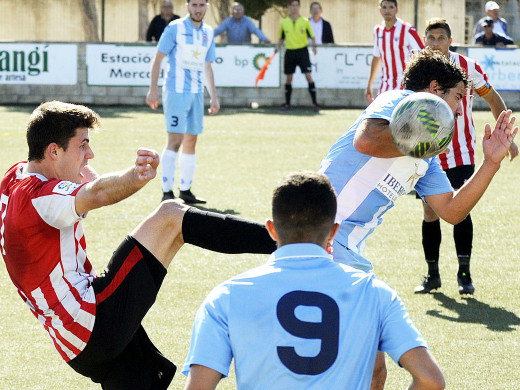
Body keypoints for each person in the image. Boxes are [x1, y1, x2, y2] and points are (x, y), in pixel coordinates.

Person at [175, 49, 517, 390]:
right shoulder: (397, 100)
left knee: (372, 372)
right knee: (351, 368)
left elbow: (453, 212)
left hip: (348, 249)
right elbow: (366, 140)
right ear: (433, 89)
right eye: (458, 97)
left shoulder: (426, 159)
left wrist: (490, 163)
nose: (461, 109)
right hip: (319, 240)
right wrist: (420, 141)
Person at [181, 171, 445, 390]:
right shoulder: (374, 293)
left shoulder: (226, 297)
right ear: (333, 232)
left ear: (271, 229)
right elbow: (430, 380)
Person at [0, 101, 194, 389]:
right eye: (83, 145)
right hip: (91, 323)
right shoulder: (42, 198)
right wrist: (135, 175)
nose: (90, 153)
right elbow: (99, 193)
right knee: (171, 217)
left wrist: (87, 166)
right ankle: (277, 237)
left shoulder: (15, 176)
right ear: (54, 150)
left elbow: (90, 185)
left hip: (72, 340)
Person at [416, 18, 518, 295]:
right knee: (429, 210)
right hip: (427, 154)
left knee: (461, 210)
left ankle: (464, 275)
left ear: (450, 40)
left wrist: (506, 136)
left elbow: (492, 97)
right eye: (431, 38)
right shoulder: (420, 69)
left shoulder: (467, 67)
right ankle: (432, 274)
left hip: (461, 152)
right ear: (425, 40)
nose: (435, 43)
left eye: (440, 38)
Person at [147, 0, 220, 204]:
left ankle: (186, 190)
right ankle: (167, 192)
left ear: (207, 6)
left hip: (196, 93)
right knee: (175, 140)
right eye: (194, 5)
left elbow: (207, 66)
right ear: (188, 7)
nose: (198, 9)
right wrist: (152, 89)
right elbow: (159, 57)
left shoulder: (208, 32)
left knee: (191, 140)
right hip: (176, 91)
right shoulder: (175, 28)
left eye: (201, 5)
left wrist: (213, 95)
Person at [365, 0, 424, 103]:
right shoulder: (377, 30)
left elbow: (422, 54)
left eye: (391, 7)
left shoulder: (407, 29)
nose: (387, 10)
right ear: (380, 10)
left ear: (397, 9)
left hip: (405, 85)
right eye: (384, 7)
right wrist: (369, 84)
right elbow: (377, 57)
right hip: (385, 85)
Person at [275, 0, 320, 112]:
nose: (294, 7)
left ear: (299, 7)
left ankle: (315, 103)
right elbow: (281, 37)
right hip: (290, 52)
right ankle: (287, 103)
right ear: (289, 7)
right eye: (292, 5)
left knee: (308, 76)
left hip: (302, 51)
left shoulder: (305, 21)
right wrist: (277, 47)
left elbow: (312, 36)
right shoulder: (284, 22)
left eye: (296, 5)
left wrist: (314, 47)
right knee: (289, 78)